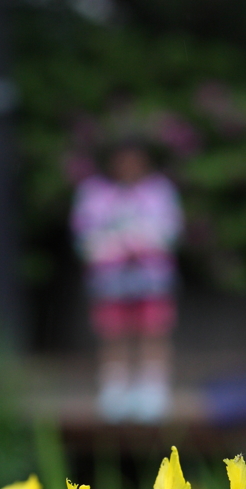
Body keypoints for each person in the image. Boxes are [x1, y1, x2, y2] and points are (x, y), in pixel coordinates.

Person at [71, 137, 183, 422]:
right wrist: (119, 245)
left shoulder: (160, 191)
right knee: (113, 334)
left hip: (151, 279)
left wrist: (139, 242)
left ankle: (153, 391)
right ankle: (115, 391)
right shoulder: (93, 193)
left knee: (153, 331)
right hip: (110, 281)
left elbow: (169, 231)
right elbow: (84, 238)